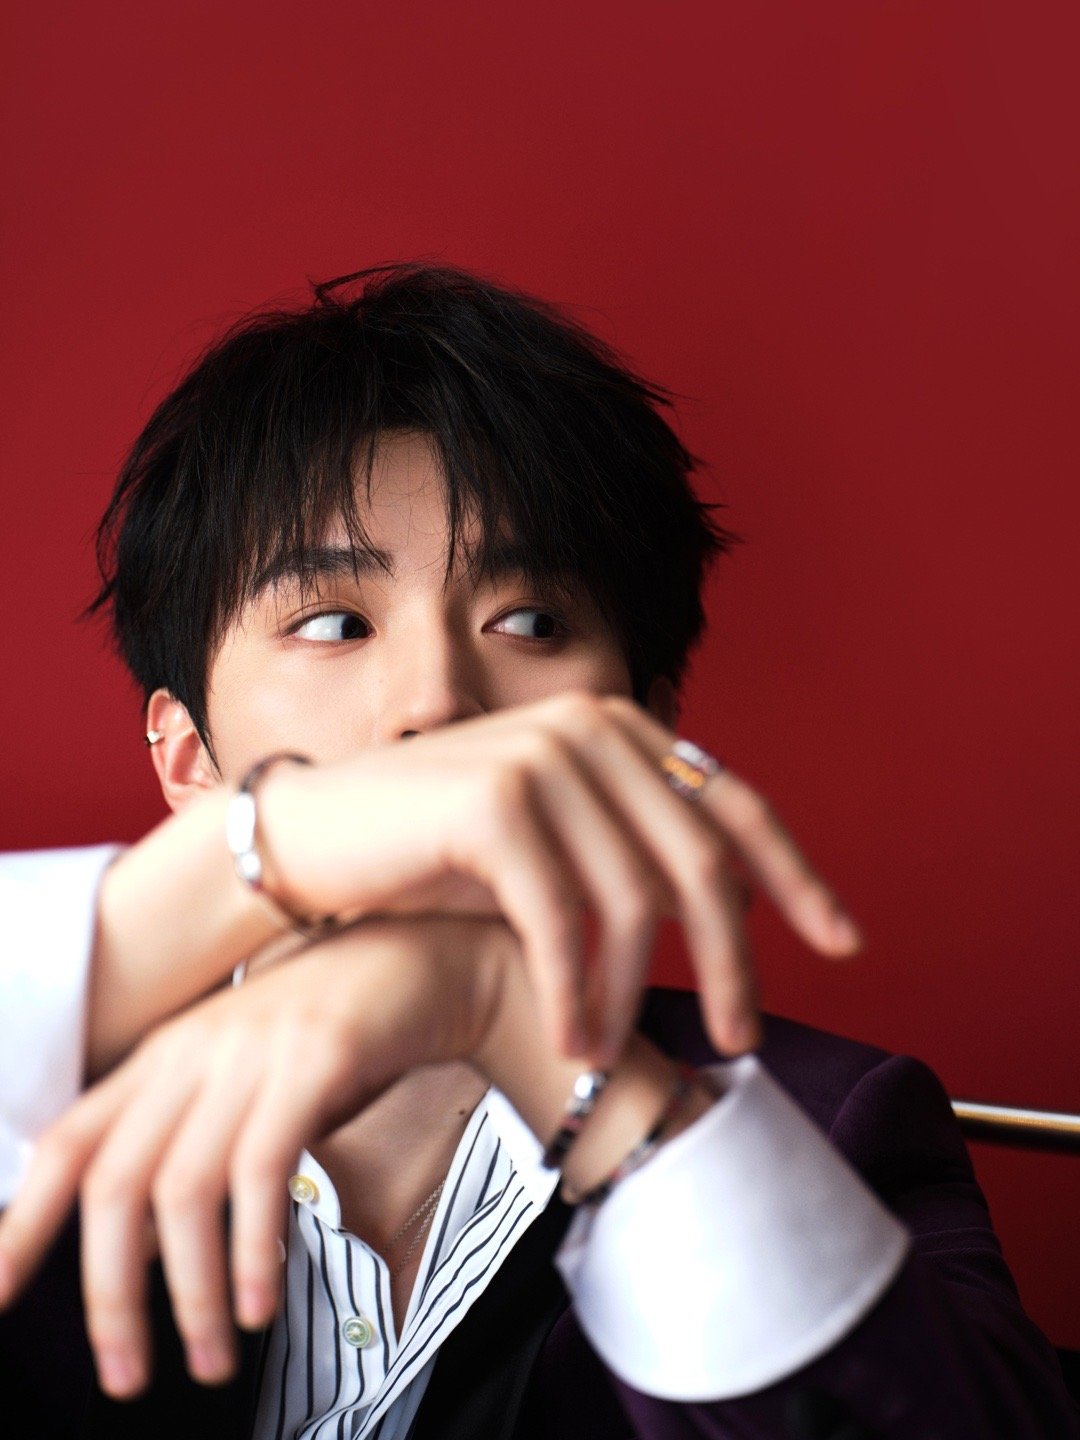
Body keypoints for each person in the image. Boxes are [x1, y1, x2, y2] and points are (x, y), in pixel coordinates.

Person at [0, 263, 1074, 1439]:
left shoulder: (831, 1129)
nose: (437, 706)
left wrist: (559, 1062)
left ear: (644, 735)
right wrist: (257, 853)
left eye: (529, 622)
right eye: (334, 624)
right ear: (187, 758)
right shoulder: (36, 1106)